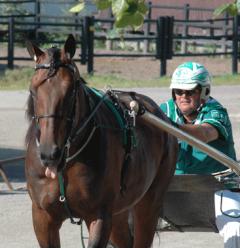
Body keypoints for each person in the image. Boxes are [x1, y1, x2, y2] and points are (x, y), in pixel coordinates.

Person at [160, 61, 239, 248]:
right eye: (178, 91)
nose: (183, 96)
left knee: (236, 229)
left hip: (220, 187)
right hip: (172, 189)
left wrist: (169, 126)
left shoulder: (216, 111)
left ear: (204, 92)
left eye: (190, 91)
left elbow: (204, 134)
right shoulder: (165, 110)